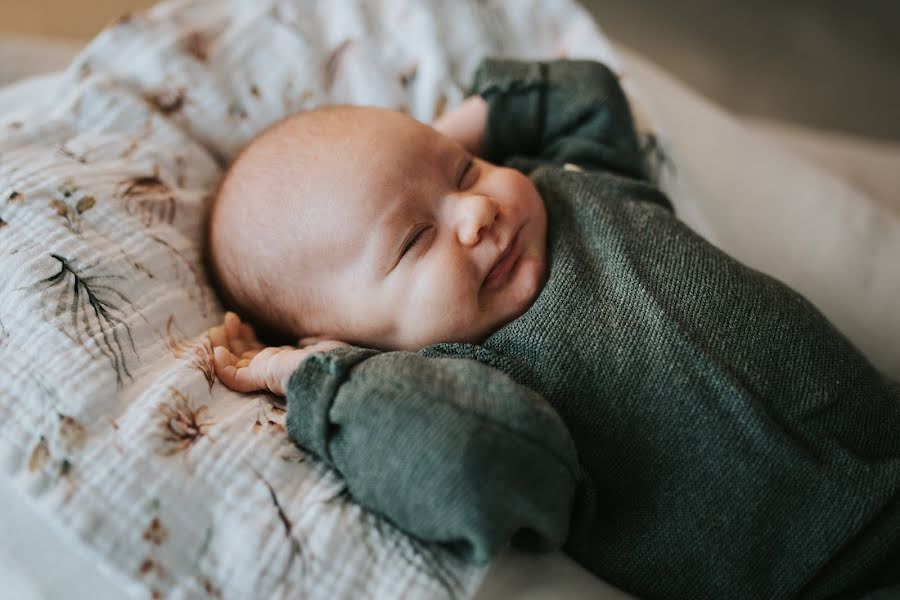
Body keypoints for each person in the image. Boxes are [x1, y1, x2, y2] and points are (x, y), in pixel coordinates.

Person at [206, 59, 900, 599]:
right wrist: (324, 377)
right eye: (416, 240)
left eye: (465, 171)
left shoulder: (569, 185)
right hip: (827, 578)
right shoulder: (465, 384)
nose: (476, 212)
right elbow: (471, 467)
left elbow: (588, 93)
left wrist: (438, 139)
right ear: (348, 337)